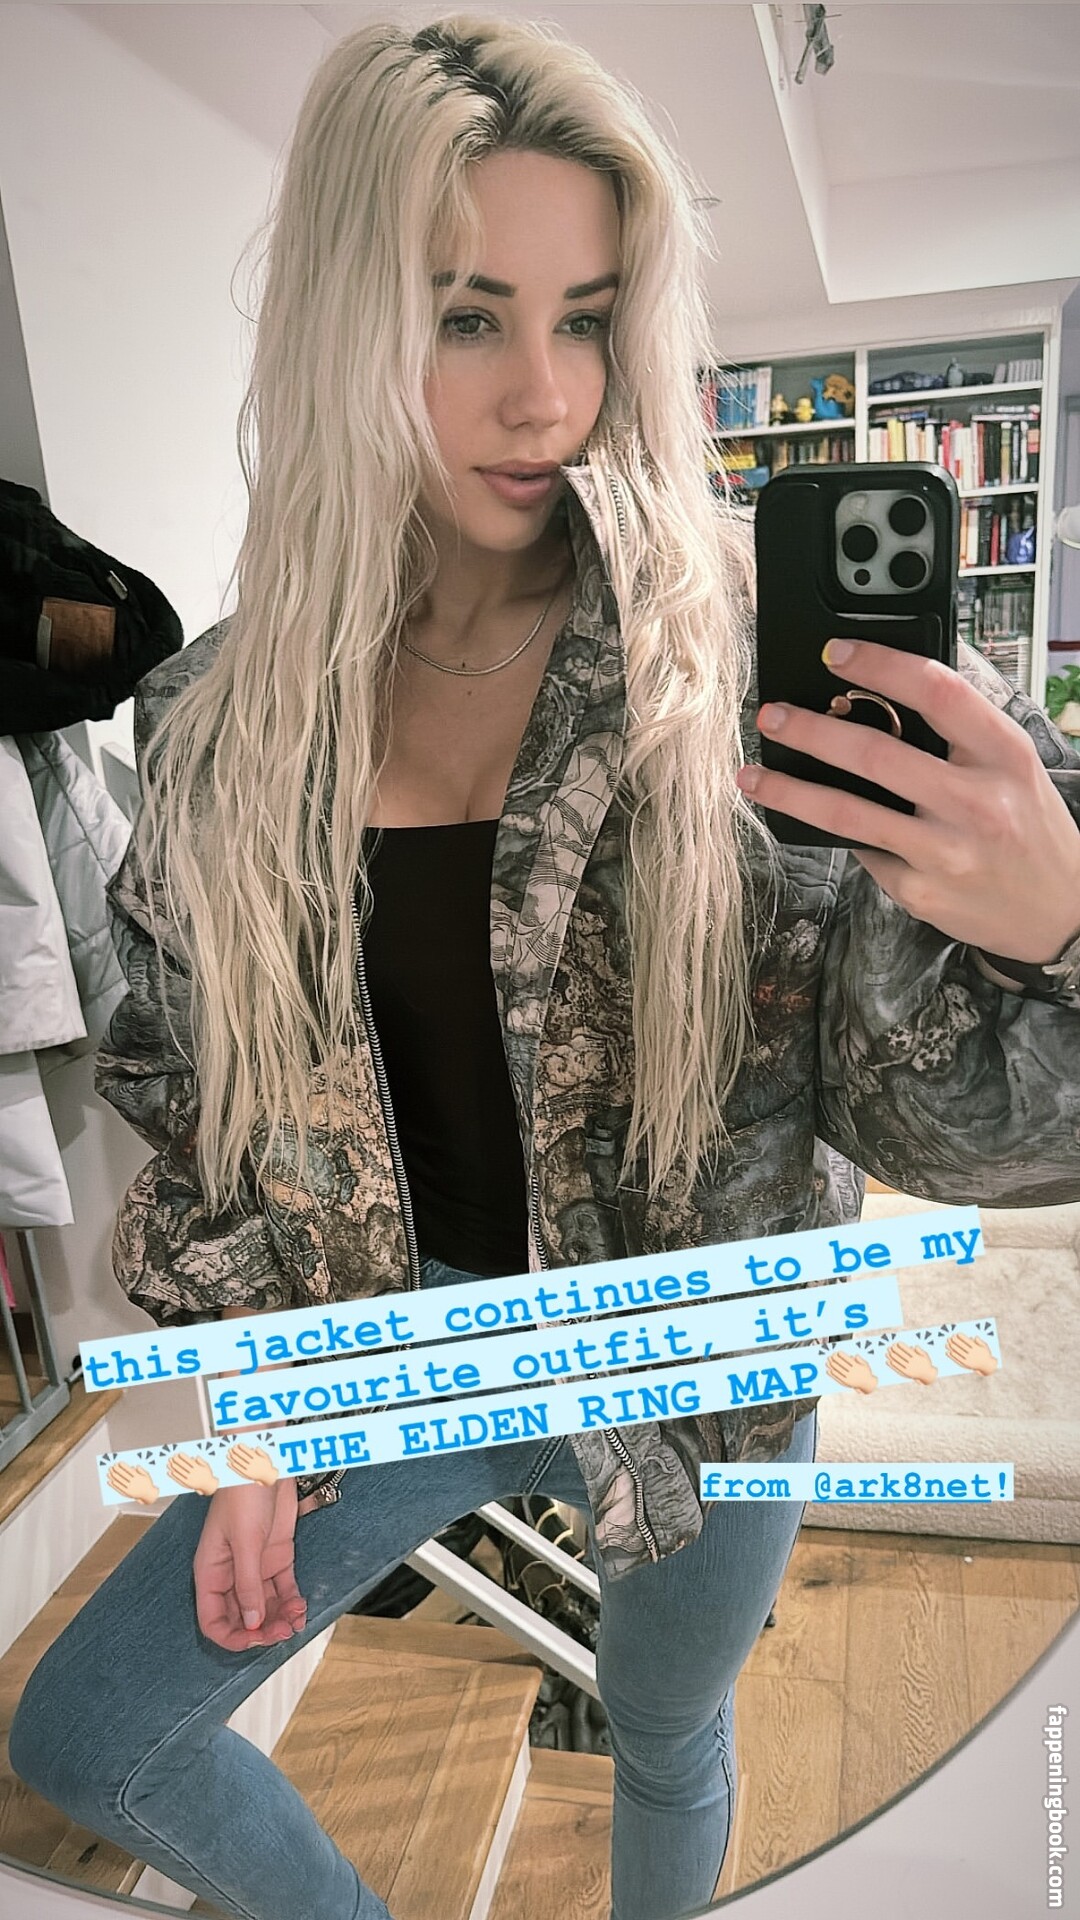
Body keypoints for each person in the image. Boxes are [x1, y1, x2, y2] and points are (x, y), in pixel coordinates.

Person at [10, 15, 1080, 1920]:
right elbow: (192, 1099)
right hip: (392, 1331)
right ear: (346, 326)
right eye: (466, 316)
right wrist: (248, 1395)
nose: (543, 397)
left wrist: (1055, 928)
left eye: (587, 318)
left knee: (666, 1726)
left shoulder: (739, 658)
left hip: (698, 1346)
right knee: (92, 1737)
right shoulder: (224, 719)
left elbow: (939, 1126)